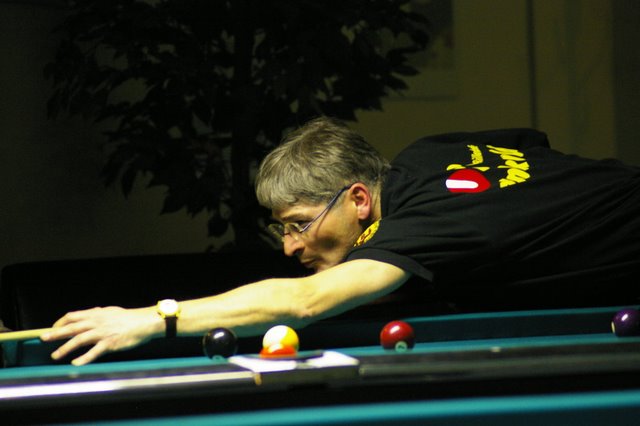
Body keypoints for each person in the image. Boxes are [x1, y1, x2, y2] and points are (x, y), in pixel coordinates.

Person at [41, 117, 640, 365]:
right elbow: (531, 142)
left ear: (358, 199)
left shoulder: (422, 222)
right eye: (281, 229)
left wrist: (153, 319)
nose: (289, 247)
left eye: (299, 223)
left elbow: (306, 302)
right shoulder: (425, 155)